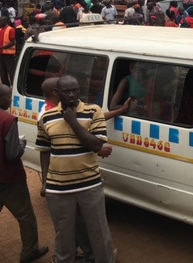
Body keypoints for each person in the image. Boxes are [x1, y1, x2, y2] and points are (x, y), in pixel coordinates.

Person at [36, 75, 117, 263]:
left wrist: (72, 122)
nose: (72, 94)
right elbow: (45, 151)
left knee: (99, 232)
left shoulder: (93, 111)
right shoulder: (46, 118)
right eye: (67, 91)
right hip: (58, 189)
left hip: (89, 185)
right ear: (57, 93)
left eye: (75, 90)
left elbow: (97, 145)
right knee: (63, 236)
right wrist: (45, 183)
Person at [0, 83, 49, 263]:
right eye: (7, 96)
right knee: (26, 216)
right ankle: (29, 251)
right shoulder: (8, 120)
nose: (11, 99)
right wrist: (21, 145)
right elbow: (12, 154)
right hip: (10, 178)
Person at [0, 16, 17, 86]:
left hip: (8, 54)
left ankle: (14, 88)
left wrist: (2, 47)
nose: (0, 22)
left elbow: (13, 42)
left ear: (6, 21)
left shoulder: (11, 29)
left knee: (11, 72)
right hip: (1, 54)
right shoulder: (0, 30)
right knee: (2, 73)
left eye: (1, 21)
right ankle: (6, 87)